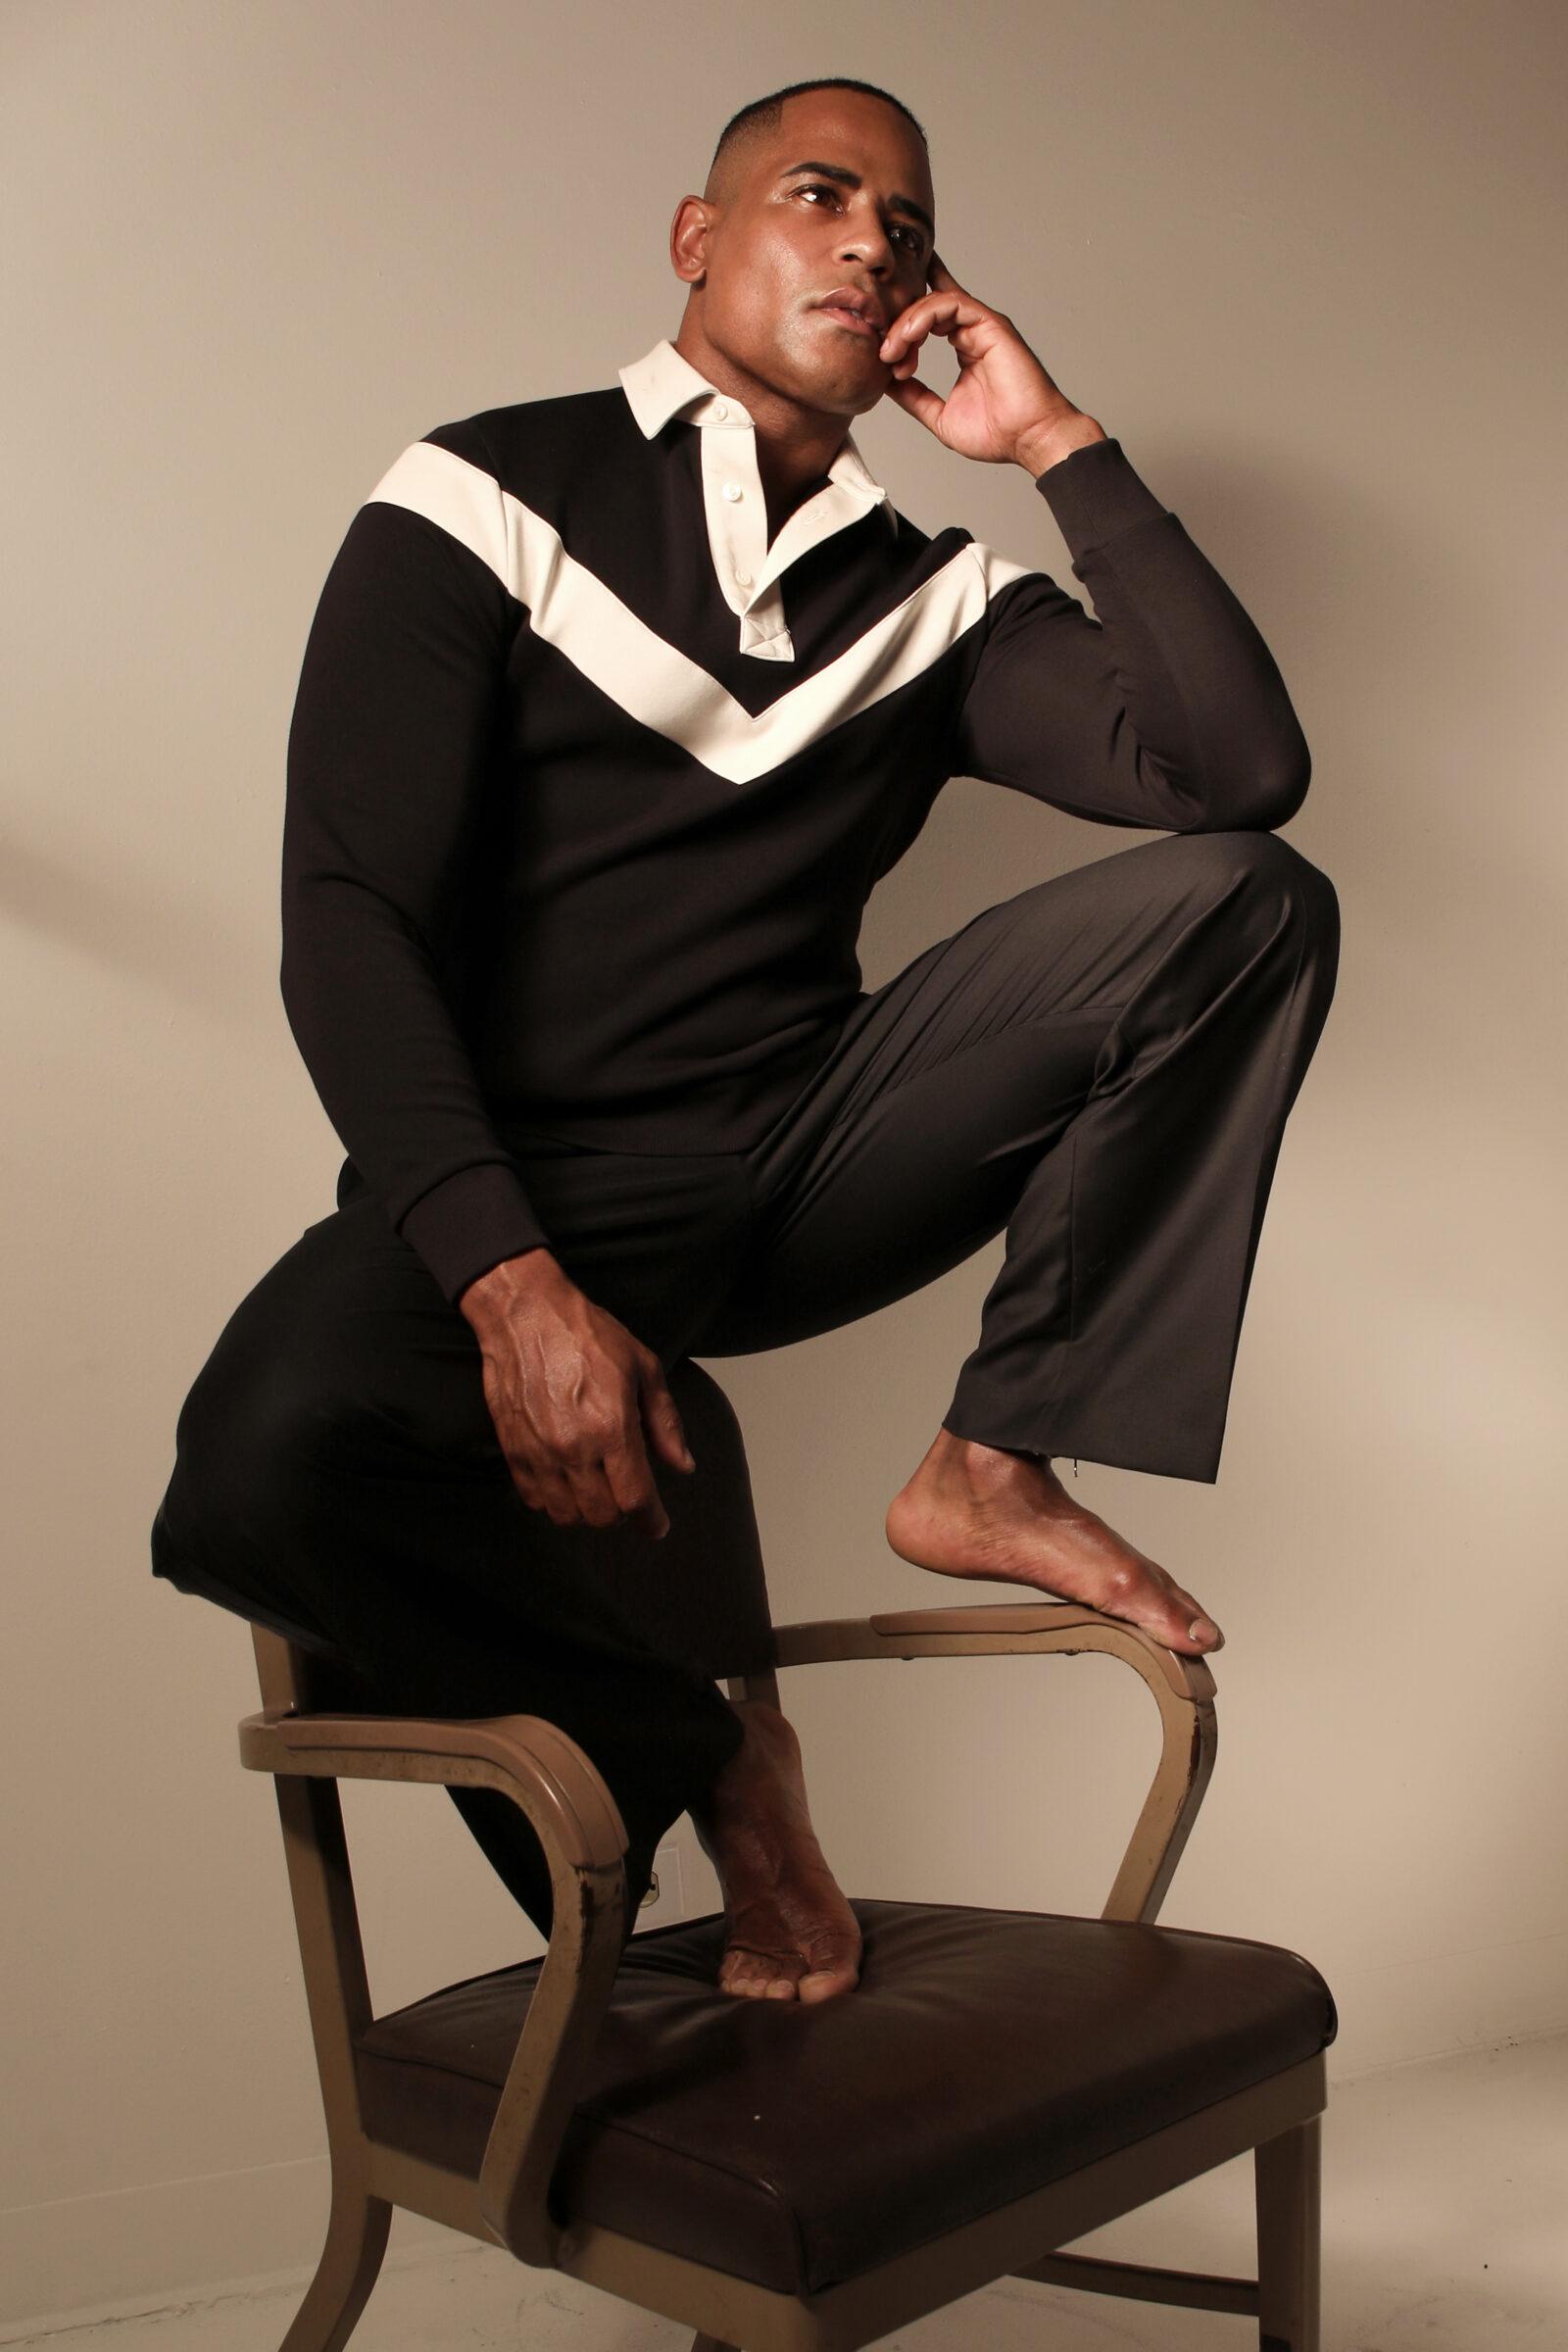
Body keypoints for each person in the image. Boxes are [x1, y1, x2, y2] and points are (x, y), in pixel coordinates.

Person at [150, 74, 1339, 2005]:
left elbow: (1233, 774)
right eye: (820, 194)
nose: (871, 240)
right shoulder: (485, 493)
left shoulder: (930, 603)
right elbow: (347, 917)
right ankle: (707, 1761)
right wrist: (507, 1280)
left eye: (907, 225)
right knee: (254, 1469)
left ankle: (993, 1463)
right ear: (695, 240)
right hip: (521, 1190)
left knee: (1247, 900)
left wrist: (1054, 443)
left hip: (800, 1159)